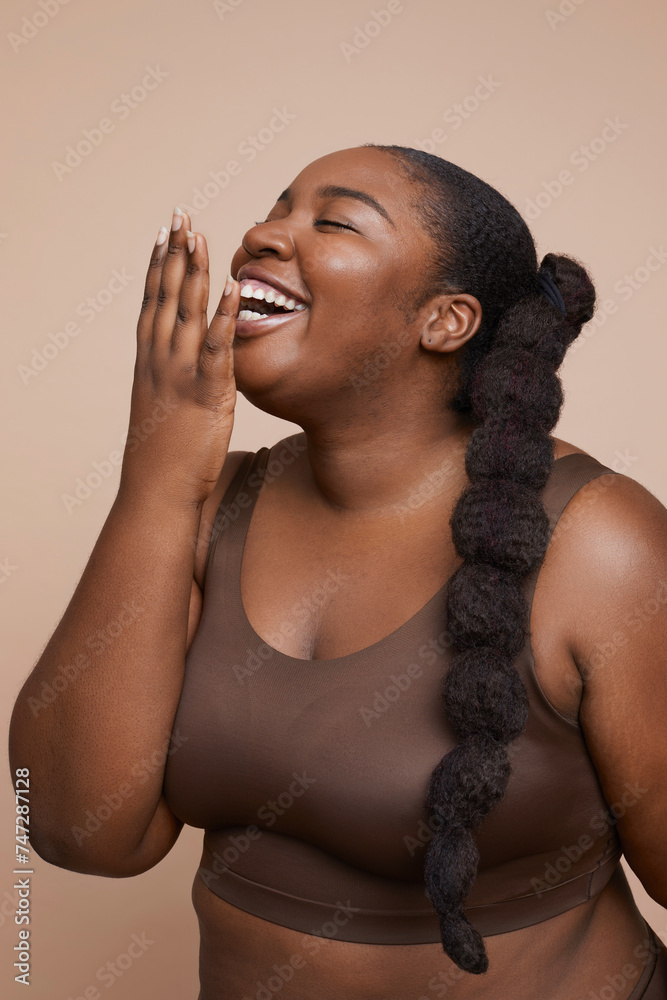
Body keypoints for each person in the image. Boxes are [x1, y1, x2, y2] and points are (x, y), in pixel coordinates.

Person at [9, 145, 667, 1000]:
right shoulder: (207, 508)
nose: (263, 234)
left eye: (333, 221)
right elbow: (71, 830)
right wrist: (158, 474)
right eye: (276, 209)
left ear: (444, 321)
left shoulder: (596, 542)